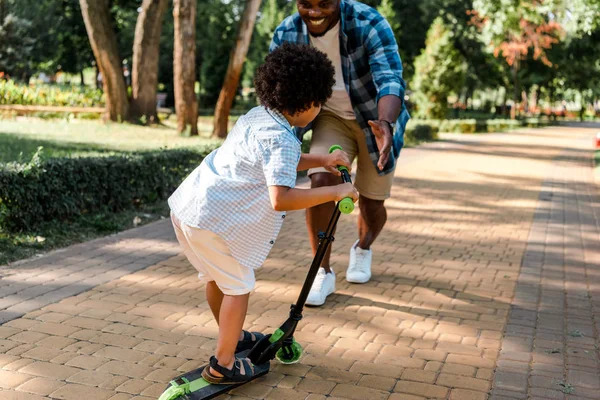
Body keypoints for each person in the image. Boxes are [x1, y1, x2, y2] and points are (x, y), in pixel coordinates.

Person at [168, 43, 358, 385]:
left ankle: (234, 338)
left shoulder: (259, 116)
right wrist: (336, 191)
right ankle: (223, 364)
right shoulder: (283, 139)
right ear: (310, 103)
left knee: (218, 279)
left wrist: (322, 161)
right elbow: (280, 197)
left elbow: (276, 165)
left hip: (189, 210)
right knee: (239, 287)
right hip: (212, 222)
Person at [270, 0, 410, 306]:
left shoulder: (368, 22)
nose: (315, 12)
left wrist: (385, 123)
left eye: (324, 3)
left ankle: (362, 247)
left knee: (372, 202)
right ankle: (323, 270)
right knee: (320, 183)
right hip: (328, 117)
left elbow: (389, 78)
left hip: (374, 117)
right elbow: (277, 91)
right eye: (307, 4)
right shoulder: (287, 32)